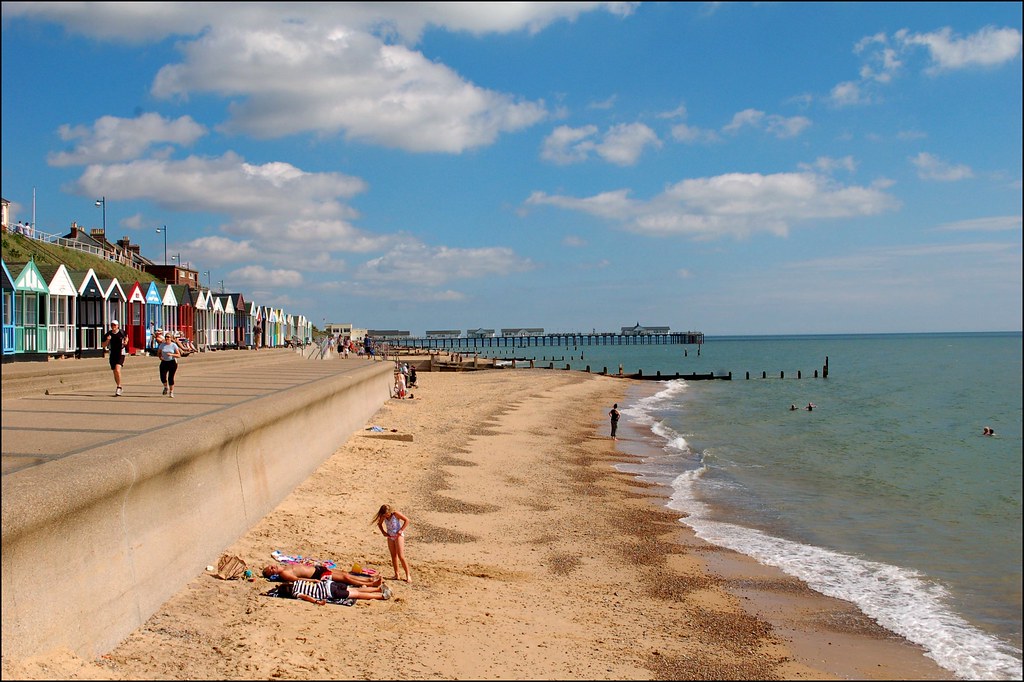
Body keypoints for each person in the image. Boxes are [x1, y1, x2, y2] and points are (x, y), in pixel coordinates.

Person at [281, 575, 391, 605]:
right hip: (329, 584)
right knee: (355, 588)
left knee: (357, 594)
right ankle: (377, 589)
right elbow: (314, 581)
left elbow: (305, 597)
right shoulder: (297, 582)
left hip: (330, 593)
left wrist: (317, 601)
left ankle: (382, 596)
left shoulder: (295, 593)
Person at [373, 504, 411, 582]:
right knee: (393, 555)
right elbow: (379, 524)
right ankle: (396, 574)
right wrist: (383, 532)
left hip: (398, 536)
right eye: (384, 514)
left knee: (401, 556)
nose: (386, 516)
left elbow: (407, 520)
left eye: (387, 514)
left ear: (389, 511)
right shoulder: (384, 516)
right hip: (390, 536)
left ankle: (408, 575)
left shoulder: (395, 514)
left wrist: (401, 530)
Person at [262, 563, 383, 587]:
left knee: (345, 574)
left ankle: (369, 579)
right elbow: (297, 579)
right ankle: (371, 584)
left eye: (271, 566)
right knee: (346, 578)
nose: (273, 568)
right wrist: (313, 582)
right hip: (318, 575)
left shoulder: (285, 565)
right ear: (272, 574)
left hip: (318, 569)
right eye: (271, 570)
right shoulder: (284, 573)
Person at [101, 320, 129, 397]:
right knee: (115, 372)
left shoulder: (122, 332)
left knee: (117, 369)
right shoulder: (108, 334)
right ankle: (119, 385)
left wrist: (126, 342)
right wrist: (108, 340)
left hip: (120, 353)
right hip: (112, 354)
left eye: (115, 325)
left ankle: (119, 387)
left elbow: (127, 338)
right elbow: (103, 345)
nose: (113, 326)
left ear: (117, 326)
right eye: (112, 325)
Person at [157, 331, 182, 397]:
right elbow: (158, 352)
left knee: (170, 377)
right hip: (164, 362)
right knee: (162, 377)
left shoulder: (173, 345)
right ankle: (165, 387)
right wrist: (160, 357)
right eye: (166, 337)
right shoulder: (162, 345)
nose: (167, 338)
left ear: (171, 338)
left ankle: (171, 392)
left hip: (172, 362)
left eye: (168, 337)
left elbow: (179, 355)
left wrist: (171, 354)